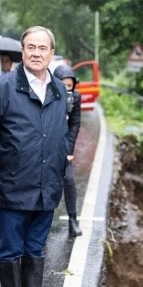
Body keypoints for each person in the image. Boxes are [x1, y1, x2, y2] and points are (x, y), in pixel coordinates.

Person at [0, 26, 68, 287]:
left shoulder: (60, 89)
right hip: (12, 187)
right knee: (11, 251)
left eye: (42, 48)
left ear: (51, 53)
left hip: (47, 187)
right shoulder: (2, 88)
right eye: (30, 47)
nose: (36, 53)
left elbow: (59, 135)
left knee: (36, 248)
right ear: (22, 52)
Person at [53, 64, 83, 236]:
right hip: (45, 145)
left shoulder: (76, 98)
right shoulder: (48, 95)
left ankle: (73, 220)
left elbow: (75, 124)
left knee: (69, 180)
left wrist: (69, 150)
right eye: (62, 85)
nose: (66, 89)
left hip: (64, 145)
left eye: (69, 85)